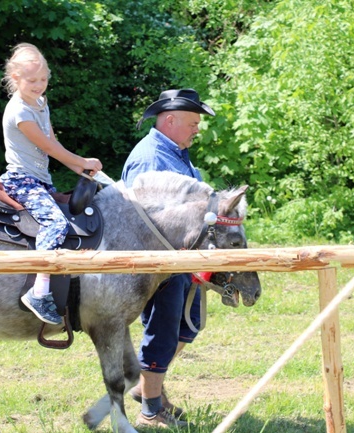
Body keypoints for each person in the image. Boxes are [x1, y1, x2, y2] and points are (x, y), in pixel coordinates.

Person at [121, 88, 215, 428]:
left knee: (188, 324)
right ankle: (150, 408)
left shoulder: (175, 151)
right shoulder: (150, 158)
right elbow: (142, 218)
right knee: (162, 330)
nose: (196, 129)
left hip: (180, 258)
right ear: (170, 120)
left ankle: (148, 388)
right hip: (159, 263)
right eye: (192, 122)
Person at [0, 43, 103, 325]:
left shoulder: (40, 104)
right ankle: (38, 290)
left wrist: (83, 168)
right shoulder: (19, 112)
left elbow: (54, 144)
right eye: (32, 80)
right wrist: (82, 160)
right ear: (15, 79)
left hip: (41, 180)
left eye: (43, 79)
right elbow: (48, 147)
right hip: (22, 182)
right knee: (56, 224)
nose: (38, 85)